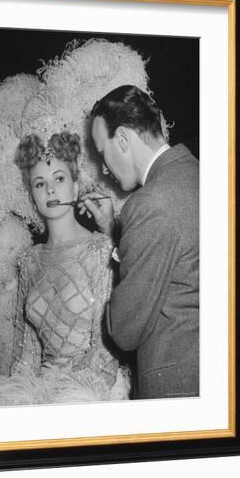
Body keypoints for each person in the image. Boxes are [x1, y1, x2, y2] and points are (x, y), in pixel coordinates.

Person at [0, 131, 131, 407]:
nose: (50, 190)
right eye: (40, 184)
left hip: (93, 392)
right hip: (41, 389)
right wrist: (22, 396)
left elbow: (104, 354)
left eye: (59, 179)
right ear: (33, 196)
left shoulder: (101, 251)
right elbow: (26, 352)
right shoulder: (29, 261)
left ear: (75, 188)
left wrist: (59, 395)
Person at [81, 85, 199, 399]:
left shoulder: (149, 203)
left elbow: (125, 330)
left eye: (103, 153)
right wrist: (112, 230)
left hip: (179, 389)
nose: (104, 168)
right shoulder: (199, 176)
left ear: (123, 139)